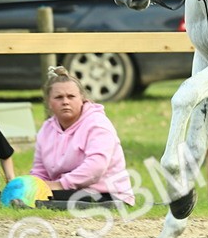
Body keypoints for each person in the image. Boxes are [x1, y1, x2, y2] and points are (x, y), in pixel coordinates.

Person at [31, 67, 135, 205]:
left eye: (71, 96)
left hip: (108, 195)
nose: (65, 101)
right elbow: (40, 170)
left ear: (82, 99)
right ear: (49, 102)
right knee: (30, 196)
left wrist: (60, 185)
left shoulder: (97, 123)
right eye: (59, 97)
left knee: (45, 200)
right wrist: (32, 187)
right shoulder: (46, 129)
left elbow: (96, 166)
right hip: (66, 191)